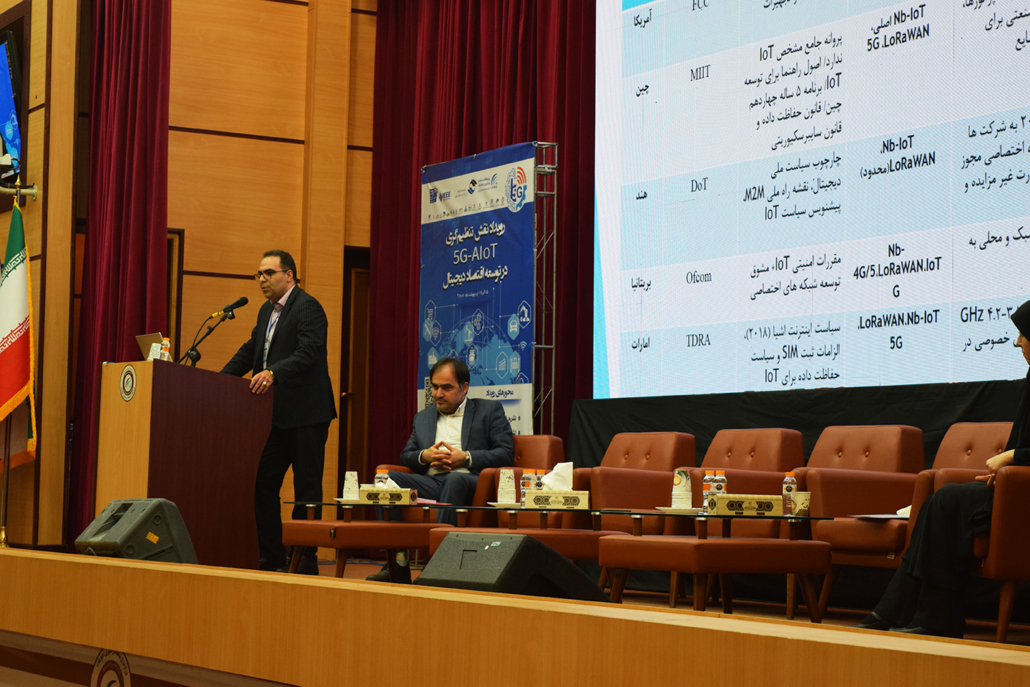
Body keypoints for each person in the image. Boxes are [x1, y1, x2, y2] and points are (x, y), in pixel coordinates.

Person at [856, 299, 1030, 637]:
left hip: (1023, 493)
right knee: (940, 501)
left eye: (1024, 333)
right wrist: (1004, 471)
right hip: (1015, 485)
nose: (1017, 342)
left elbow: (1020, 451)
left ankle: (905, 611)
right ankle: (930, 617)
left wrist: (1013, 458)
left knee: (947, 501)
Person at [221, 250, 337, 574]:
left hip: (307, 415)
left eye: (268, 273)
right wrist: (219, 380)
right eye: (258, 274)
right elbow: (251, 350)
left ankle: (305, 560)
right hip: (275, 417)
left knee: (306, 491)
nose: (261, 279)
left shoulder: (308, 307)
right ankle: (271, 556)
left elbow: (308, 352)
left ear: (289, 275)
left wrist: (273, 372)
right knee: (262, 485)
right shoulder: (265, 311)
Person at [366, 356, 514, 582]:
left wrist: (465, 458)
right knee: (384, 478)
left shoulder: (488, 410)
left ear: (464, 388)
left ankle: (439, 565)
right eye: (435, 387)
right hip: (432, 483)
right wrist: (425, 456)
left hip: (471, 483)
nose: (438, 394)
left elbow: (506, 452)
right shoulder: (423, 417)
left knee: (454, 480)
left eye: (446, 387)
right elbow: (406, 455)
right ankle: (396, 565)